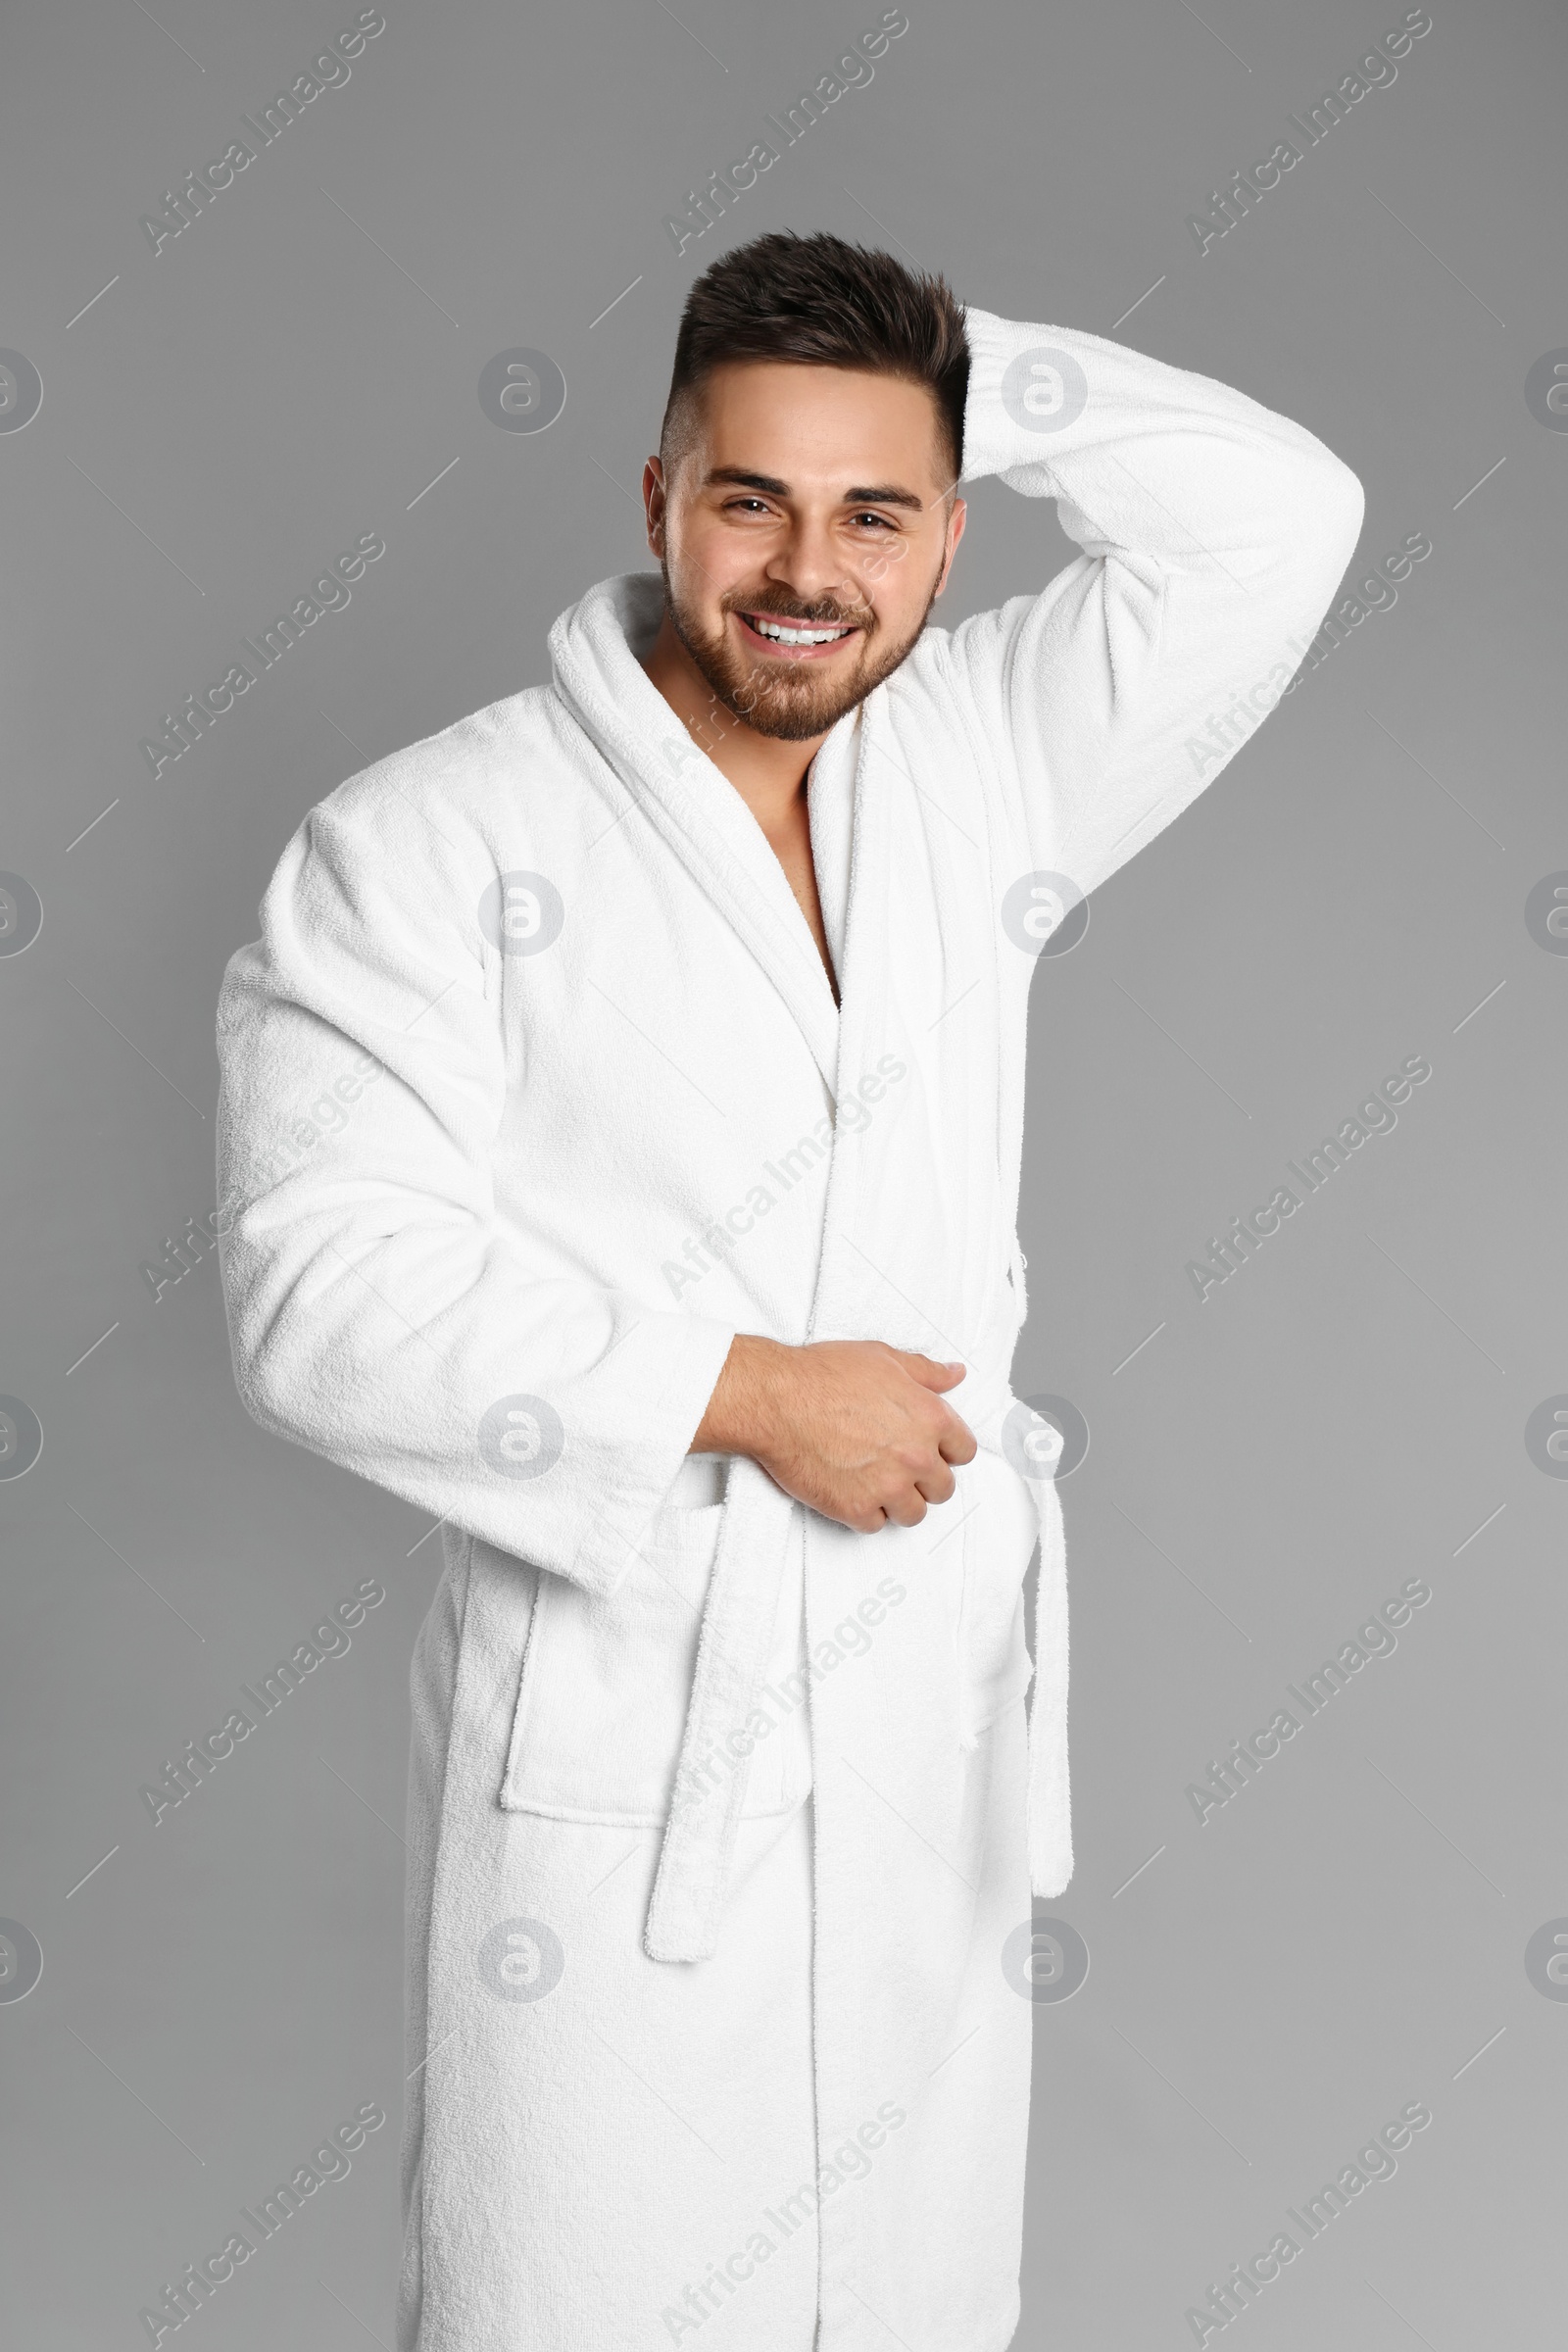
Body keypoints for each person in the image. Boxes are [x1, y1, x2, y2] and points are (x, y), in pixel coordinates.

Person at [214, 228, 1363, 2352]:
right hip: (634, 1742)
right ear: (655, 498)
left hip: (919, 1730)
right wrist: (738, 1391)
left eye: (875, 511)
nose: (805, 569)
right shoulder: (422, 844)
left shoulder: (985, 759)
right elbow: (318, 1286)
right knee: (580, 2302)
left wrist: (961, 378)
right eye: (747, 496)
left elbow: (1279, 516)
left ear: (947, 535)